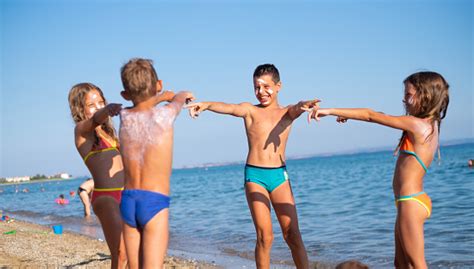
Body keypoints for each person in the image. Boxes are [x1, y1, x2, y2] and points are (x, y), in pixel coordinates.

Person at [305, 71, 449, 269]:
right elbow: (379, 116)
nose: (404, 100)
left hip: (411, 202)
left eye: (408, 95)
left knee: (417, 264)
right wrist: (348, 116)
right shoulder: (427, 125)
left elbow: (371, 115)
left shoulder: (417, 126)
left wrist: (331, 111)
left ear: (425, 96)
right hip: (409, 201)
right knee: (400, 264)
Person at [186, 64, 319, 269]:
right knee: (265, 237)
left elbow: (296, 108)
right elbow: (230, 107)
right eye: (257, 87)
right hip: (255, 176)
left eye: (266, 86)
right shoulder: (250, 110)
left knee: (292, 234)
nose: (261, 92)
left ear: (278, 86)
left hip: (279, 176)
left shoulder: (286, 113)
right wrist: (206, 105)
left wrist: (303, 105)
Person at [118, 58, 192, 268]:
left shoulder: (124, 116)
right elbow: (178, 100)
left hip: (129, 201)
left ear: (125, 95)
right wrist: (178, 95)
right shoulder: (166, 115)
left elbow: (142, 106)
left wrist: (159, 97)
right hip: (154, 202)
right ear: (158, 84)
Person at [68, 82, 127, 268]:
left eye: (101, 102)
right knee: (120, 254)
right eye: (91, 105)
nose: (98, 108)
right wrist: (107, 110)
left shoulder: (108, 133)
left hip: (127, 194)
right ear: (80, 108)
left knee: (134, 253)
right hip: (108, 197)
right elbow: (95, 119)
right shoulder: (82, 132)